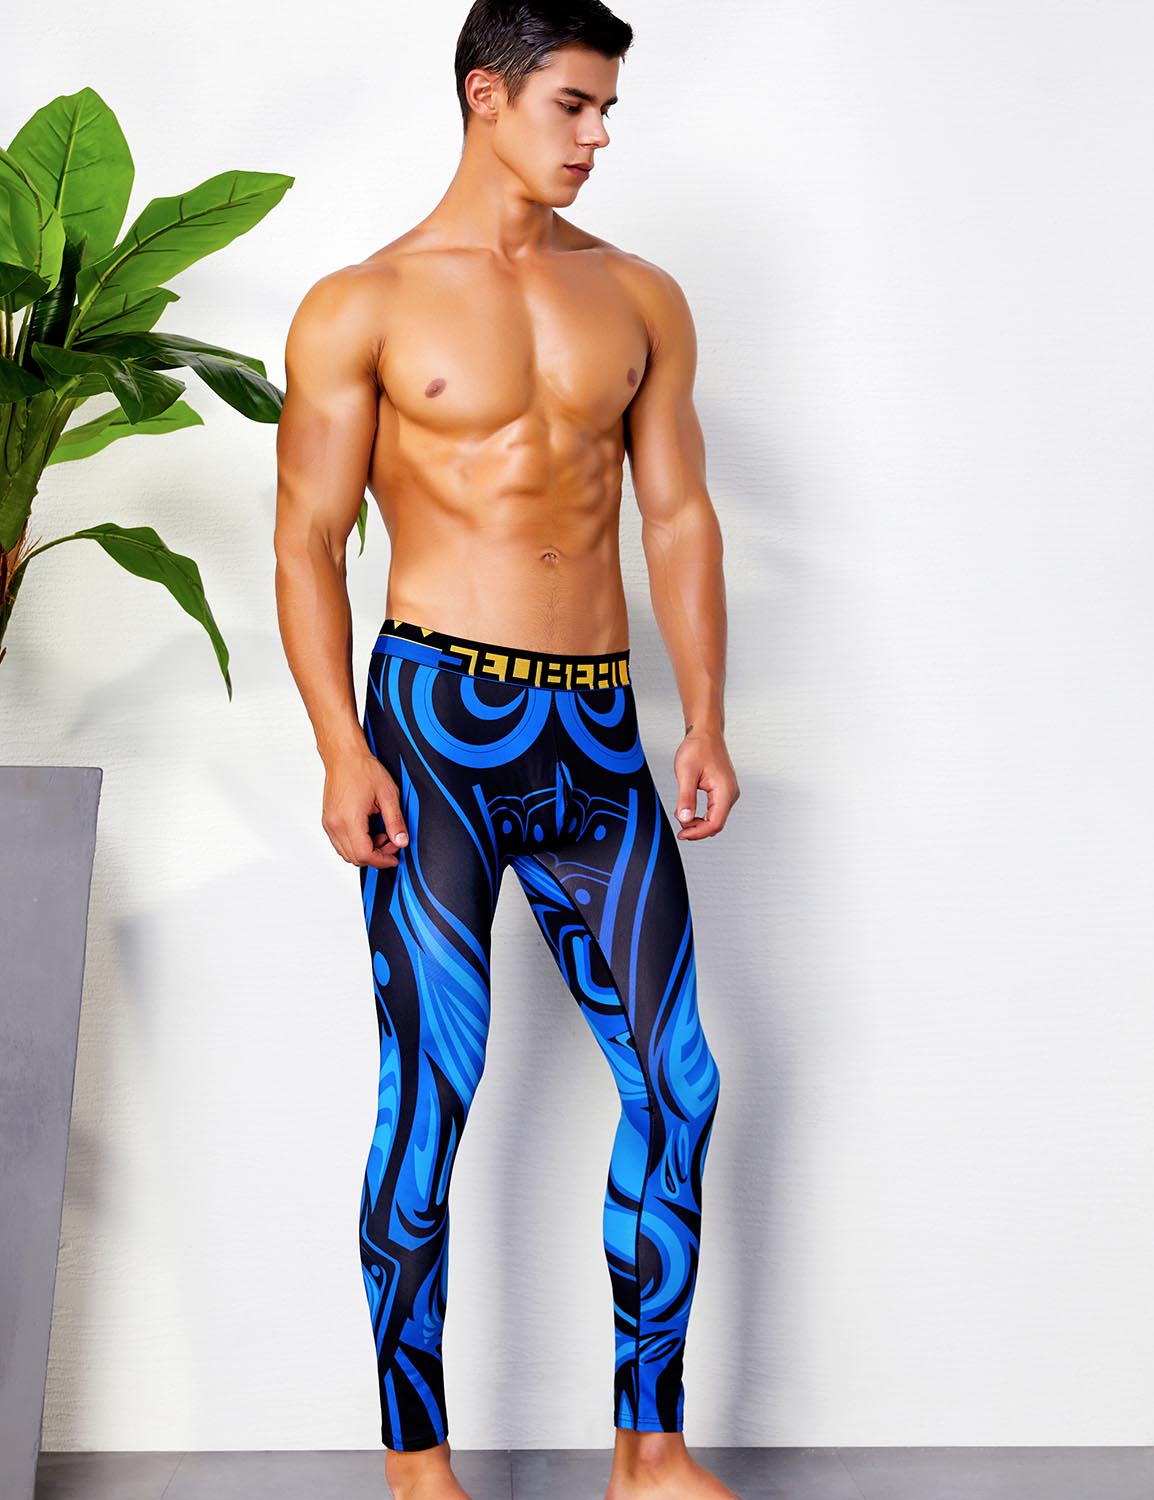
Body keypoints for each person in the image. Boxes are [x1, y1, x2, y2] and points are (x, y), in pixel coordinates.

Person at [273, 2, 741, 1496]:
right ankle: (419, 1468)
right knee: (428, 1098)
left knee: (676, 1082)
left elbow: (677, 515)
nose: (597, 137)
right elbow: (305, 542)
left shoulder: (641, 297)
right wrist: (340, 747)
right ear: (488, 95)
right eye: (572, 106)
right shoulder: (361, 305)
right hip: (434, 734)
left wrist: (704, 717)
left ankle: (648, 1454)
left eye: (608, 111)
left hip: (596, 732)